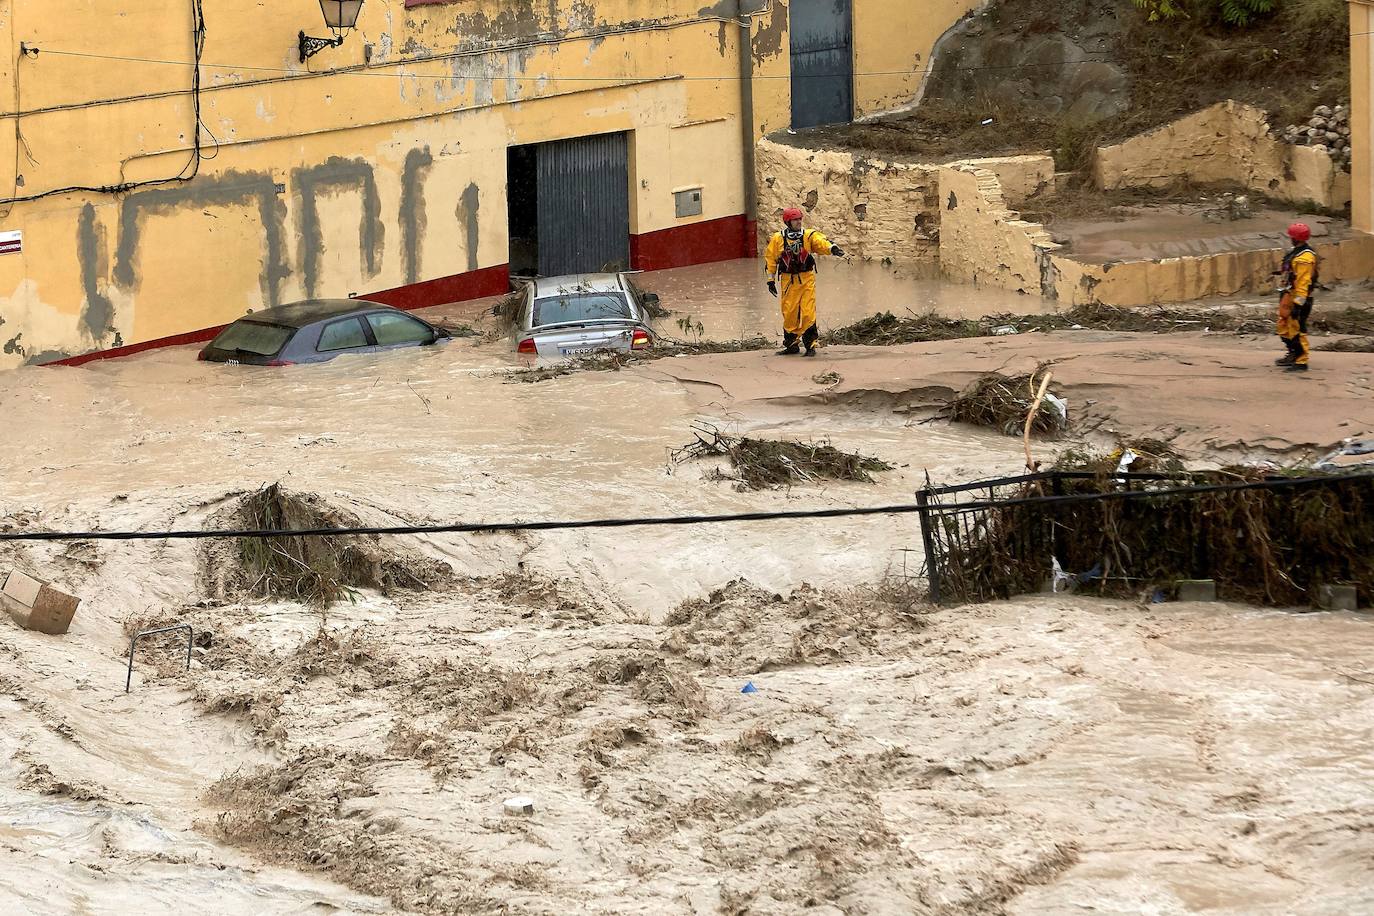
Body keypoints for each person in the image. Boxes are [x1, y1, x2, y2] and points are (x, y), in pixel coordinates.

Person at [764, 207, 845, 357]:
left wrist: (832, 248)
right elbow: (771, 259)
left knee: (808, 312)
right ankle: (791, 345)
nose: (799, 222)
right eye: (795, 220)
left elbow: (821, 242)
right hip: (788, 281)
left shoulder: (808, 236)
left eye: (800, 219)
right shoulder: (778, 239)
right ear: (788, 222)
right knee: (789, 313)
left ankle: (810, 345)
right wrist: (770, 280)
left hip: (806, 278)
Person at [1274, 222, 1319, 373]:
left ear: (1296, 238)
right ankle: (1293, 353)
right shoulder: (1296, 252)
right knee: (1283, 325)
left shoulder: (1305, 258)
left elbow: (1303, 283)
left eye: (1291, 236)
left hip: (1298, 297)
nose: (1290, 238)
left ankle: (1301, 361)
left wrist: (1298, 305)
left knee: (1297, 328)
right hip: (1288, 294)